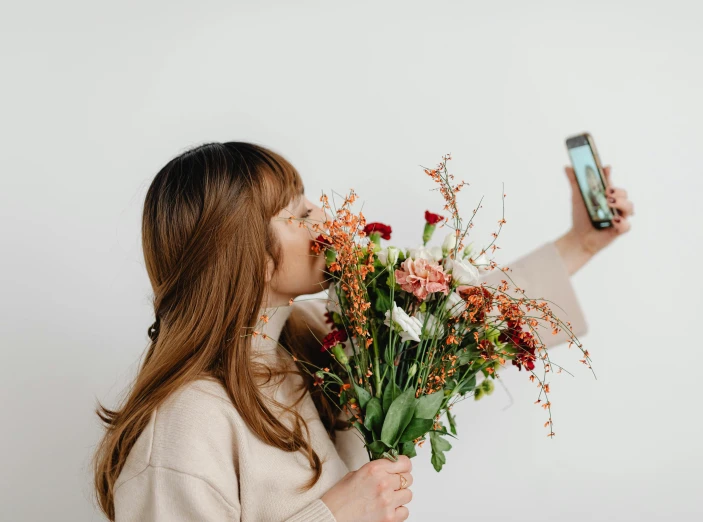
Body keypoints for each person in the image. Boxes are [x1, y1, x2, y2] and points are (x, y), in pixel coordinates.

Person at [92, 142, 634, 522]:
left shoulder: (307, 347)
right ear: (248, 256)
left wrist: (584, 242)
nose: (324, 217)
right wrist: (333, 516)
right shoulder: (187, 423)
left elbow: (458, 330)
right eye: (297, 212)